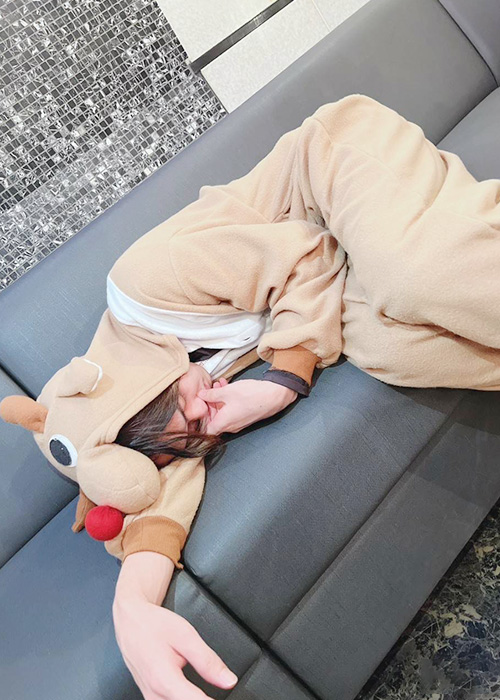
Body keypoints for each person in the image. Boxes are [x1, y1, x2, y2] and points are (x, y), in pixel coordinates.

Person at [2, 93, 500, 700]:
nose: (204, 413)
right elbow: (160, 503)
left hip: (329, 175)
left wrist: (278, 386)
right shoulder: (156, 425)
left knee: (412, 280)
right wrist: (131, 606)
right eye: (193, 433)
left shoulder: (148, 282)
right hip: (338, 266)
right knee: (394, 348)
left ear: (129, 393)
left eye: (183, 413)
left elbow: (306, 255)